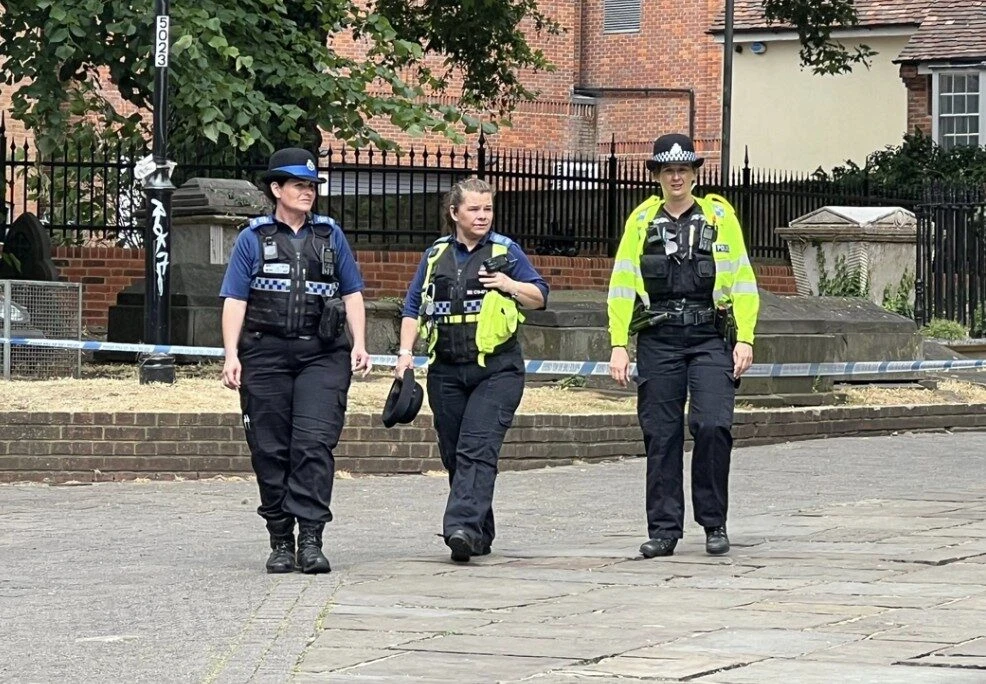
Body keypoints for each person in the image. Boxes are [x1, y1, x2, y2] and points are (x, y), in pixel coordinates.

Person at [219, 147, 371, 574]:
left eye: (312, 186)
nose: (308, 192)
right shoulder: (253, 238)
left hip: (322, 355)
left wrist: (359, 342)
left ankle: (311, 540)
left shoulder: (330, 236)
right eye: (299, 185)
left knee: (313, 444)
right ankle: (281, 540)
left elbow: (352, 292)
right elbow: (235, 298)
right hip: (264, 354)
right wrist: (231, 354)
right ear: (276, 189)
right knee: (270, 448)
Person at [607, 134, 759, 558]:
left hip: (710, 335)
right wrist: (620, 344)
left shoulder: (718, 216)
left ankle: (714, 522)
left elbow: (744, 279)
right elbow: (621, 284)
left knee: (713, 425)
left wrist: (745, 336)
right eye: (668, 170)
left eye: (684, 169)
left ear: (695, 174)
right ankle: (664, 530)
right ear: (656, 175)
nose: (677, 177)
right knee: (661, 434)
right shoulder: (640, 221)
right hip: (659, 337)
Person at [394, 178, 549, 563]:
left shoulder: (505, 251)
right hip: (446, 370)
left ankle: (459, 527)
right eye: (474, 209)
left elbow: (540, 296)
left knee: (476, 449)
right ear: (454, 213)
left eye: (488, 209)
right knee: (454, 455)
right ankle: (479, 531)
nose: (482, 216)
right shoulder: (435, 255)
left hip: (497, 370)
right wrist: (404, 354)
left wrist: (509, 284)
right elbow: (413, 307)